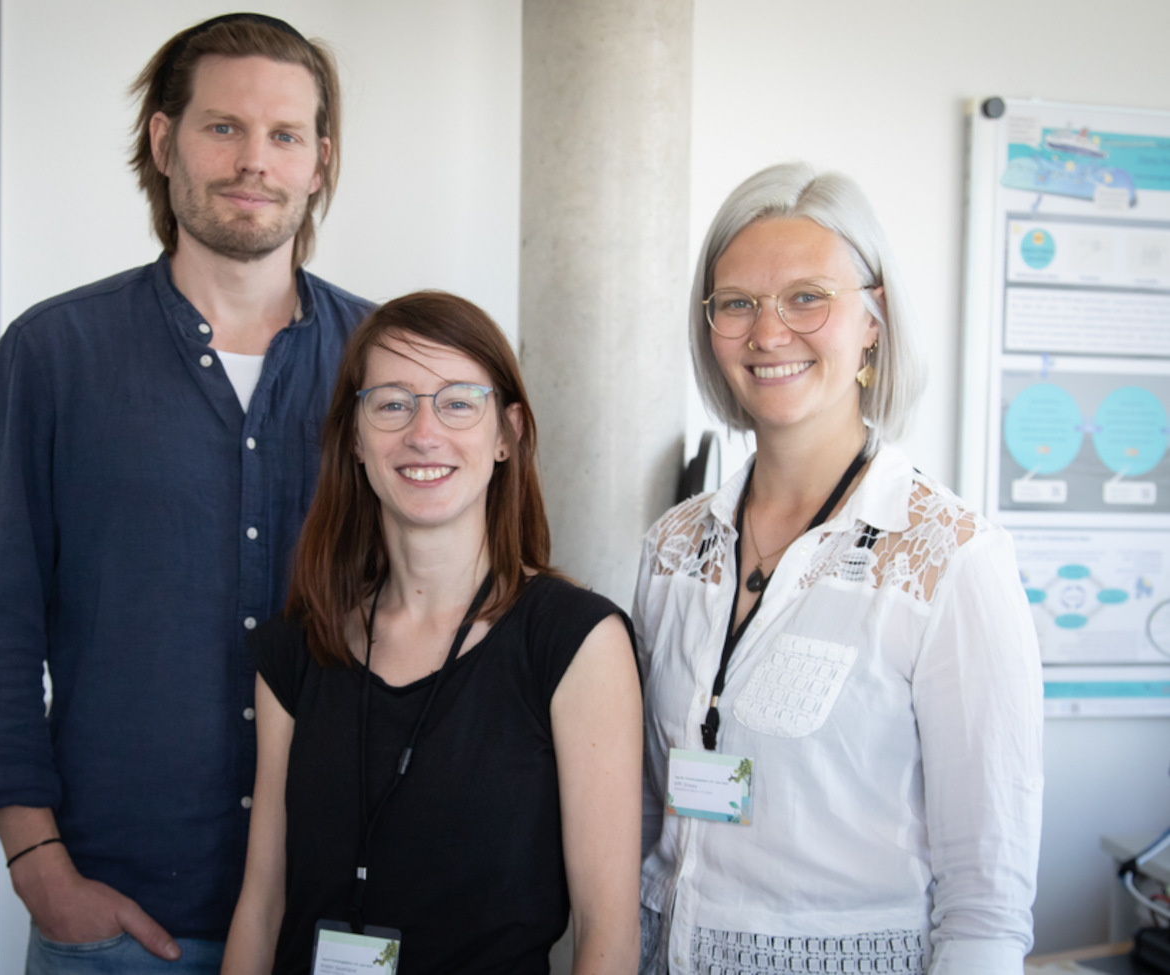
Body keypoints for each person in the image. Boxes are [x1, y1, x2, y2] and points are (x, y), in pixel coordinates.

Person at [0, 13, 371, 972]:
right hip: (120, 918)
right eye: (224, 127)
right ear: (164, 140)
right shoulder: (55, 355)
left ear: (319, 161)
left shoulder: (382, 364)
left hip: (334, 912)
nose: (255, 161)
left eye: (284, 135)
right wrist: (39, 864)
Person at [635, 162, 1043, 975]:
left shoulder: (950, 559)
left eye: (807, 297)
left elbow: (986, 903)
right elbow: (647, 813)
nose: (768, 332)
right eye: (737, 303)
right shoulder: (675, 546)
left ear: (874, 319)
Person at [221, 292, 643, 975]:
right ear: (355, 438)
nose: (423, 432)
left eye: (457, 401)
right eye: (392, 402)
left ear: (506, 433)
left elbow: (609, 936)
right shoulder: (299, 645)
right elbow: (262, 906)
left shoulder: (574, 643)